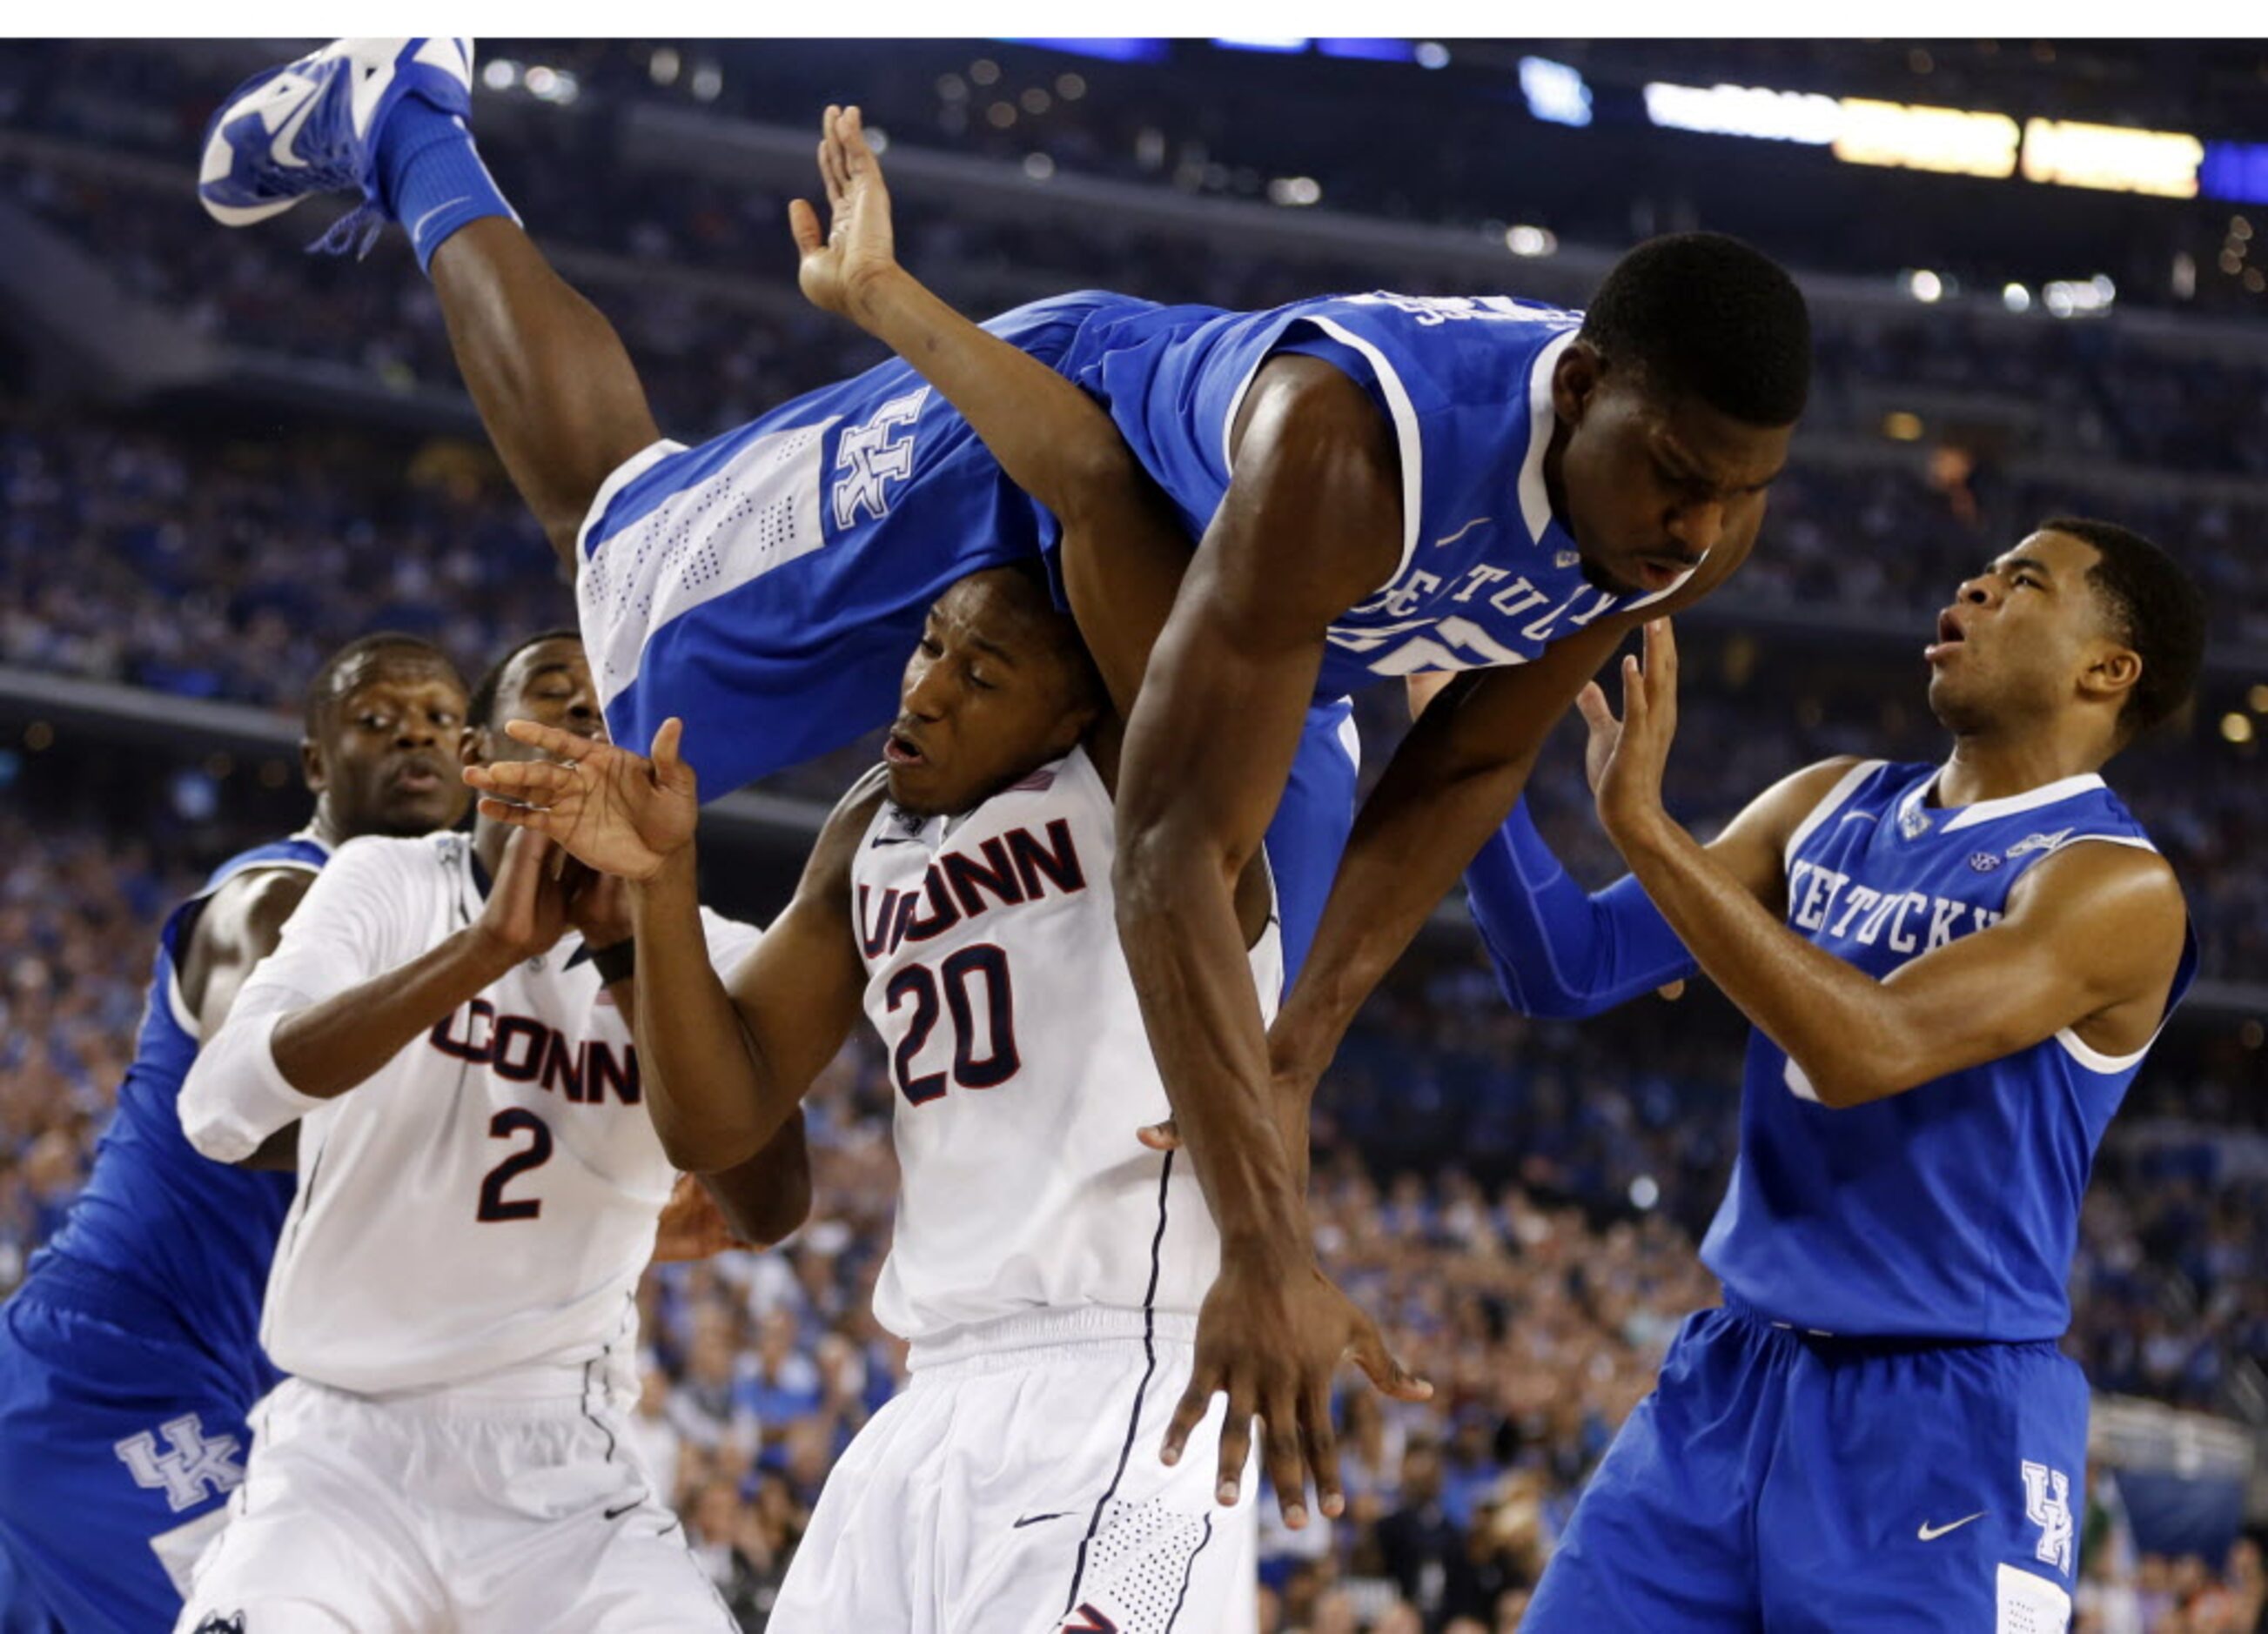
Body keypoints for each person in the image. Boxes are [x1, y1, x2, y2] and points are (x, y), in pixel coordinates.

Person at [196, 42, 1807, 1517]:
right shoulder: (1350, 446)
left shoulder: (1674, 529)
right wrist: (1268, 1238)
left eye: (1736, 499)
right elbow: (1155, 781)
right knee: (627, 584)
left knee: (1239, 961)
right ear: (1585, 387)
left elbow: (1469, 753)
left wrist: (1301, 1045)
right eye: (1676, 480)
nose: (1694, 529)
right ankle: (407, 116)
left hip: (1253, 640)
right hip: (1037, 454)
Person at [460, 421, 1426, 1627]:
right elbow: (719, 1115)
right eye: (928, 644)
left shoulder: (1153, 782)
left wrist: (894, 309)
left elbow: (1093, 497)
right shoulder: (868, 830)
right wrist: (658, 890)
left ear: (1082, 705)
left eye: (980, 674)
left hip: (1122, 1392)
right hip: (924, 1411)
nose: (922, 689)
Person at [1448, 520, 2204, 1630]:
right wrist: (1465, 760)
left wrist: (1646, 831)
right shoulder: (1826, 801)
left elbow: (1869, 1049)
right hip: (1725, 1380)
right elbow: (1570, 966)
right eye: (1981, 570)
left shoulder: (2109, 885)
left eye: (2021, 582)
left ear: (2106, 669)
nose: (1974, 585)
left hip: (1941, 1418)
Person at [170, 632, 811, 1633]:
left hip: (561, 1467)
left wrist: (623, 945)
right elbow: (217, 1111)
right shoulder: (384, 882)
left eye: (614, 716)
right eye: (557, 698)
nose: (588, 726)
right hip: (343, 1453)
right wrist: (486, 950)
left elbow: (768, 1207)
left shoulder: (712, 948)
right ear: (479, 757)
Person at [0, 633, 469, 1634]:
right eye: (376, 721)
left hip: (238, 1389)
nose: (413, 739)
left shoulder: (443, 942)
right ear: (315, 762)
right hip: (120, 1371)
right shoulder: (269, 897)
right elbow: (253, 1093)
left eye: (438, 720)